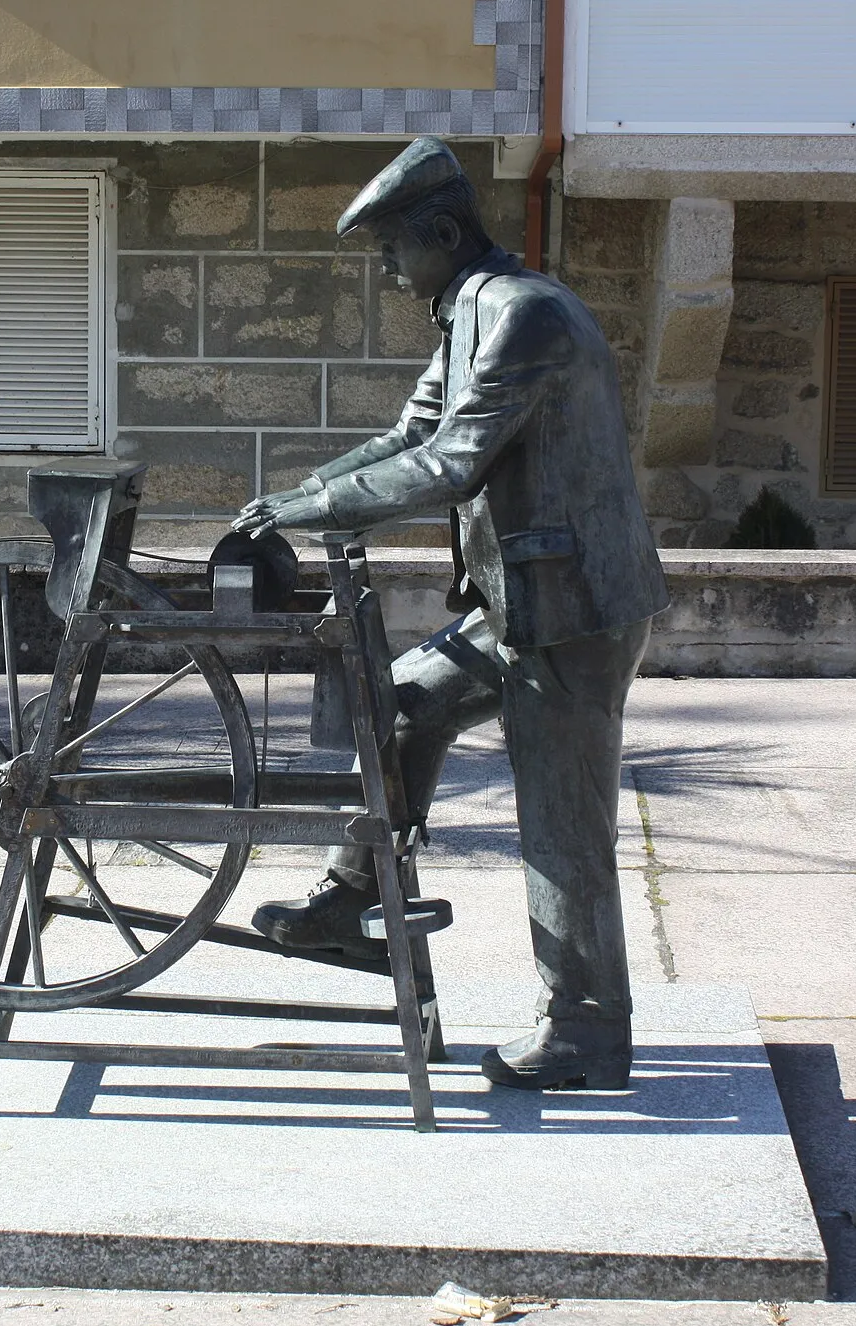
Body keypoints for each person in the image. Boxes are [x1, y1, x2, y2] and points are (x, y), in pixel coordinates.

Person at [231, 138, 668, 1091]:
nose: (387, 273)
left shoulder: (525, 316)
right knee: (398, 705)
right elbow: (406, 435)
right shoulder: (464, 314)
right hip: (518, 607)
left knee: (562, 826)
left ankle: (588, 1029)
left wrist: (307, 512)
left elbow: (452, 464)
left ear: (439, 232)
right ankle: (352, 903)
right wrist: (297, 493)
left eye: (392, 250)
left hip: (573, 616)